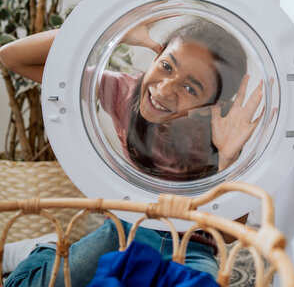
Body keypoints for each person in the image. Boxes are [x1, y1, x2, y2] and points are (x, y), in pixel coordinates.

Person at [0, 16, 262, 286]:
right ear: (155, 57)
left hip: (191, 244)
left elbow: (229, 235)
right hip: (126, 228)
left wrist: (229, 160)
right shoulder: (124, 91)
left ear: (210, 105)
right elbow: (12, 57)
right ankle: (46, 249)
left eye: (190, 88)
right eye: (167, 66)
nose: (163, 89)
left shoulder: (221, 134)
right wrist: (112, 31)